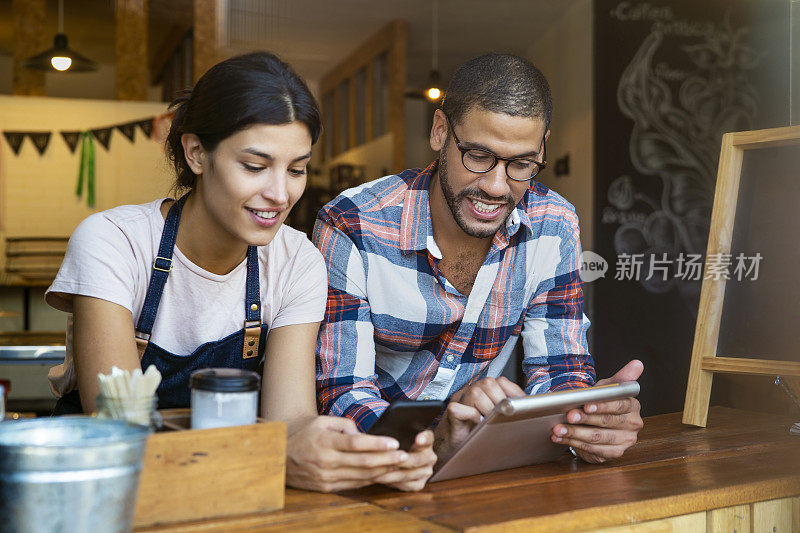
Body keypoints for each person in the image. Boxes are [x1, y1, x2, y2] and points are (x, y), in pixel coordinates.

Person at [45, 52, 434, 492]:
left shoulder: (297, 260)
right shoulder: (113, 241)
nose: (279, 193)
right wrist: (277, 454)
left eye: (297, 169)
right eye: (255, 166)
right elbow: (114, 424)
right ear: (196, 153)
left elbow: (290, 421)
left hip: (236, 484)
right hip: (103, 487)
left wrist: (351, 453)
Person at [314, 53, 643, 475]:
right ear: (439, 132)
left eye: (521, 164)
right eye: (478, 156)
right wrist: (435, 441)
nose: (496, 186)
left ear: (542, 149)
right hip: (374, 475)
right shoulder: (353, 223)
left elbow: (560, 371)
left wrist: (586, 422)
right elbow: (343, 397)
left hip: (483, 471)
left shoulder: (553, 225)